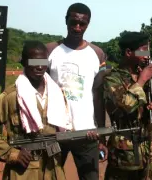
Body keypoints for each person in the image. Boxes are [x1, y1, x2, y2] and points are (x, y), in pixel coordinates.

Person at [0, 40, 69, 180]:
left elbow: (66, 128)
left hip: (52, 168)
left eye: (43, 61)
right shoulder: (12, 96)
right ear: (24, 62)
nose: (39, 66)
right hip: (24, 171)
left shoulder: (57, 94)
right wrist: (11, 153)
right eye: (33, 62)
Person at [46, 3, 107, 180]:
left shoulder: (98, 54)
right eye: (73, 22)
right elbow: (33, 84)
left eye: (82, 24)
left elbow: (98, 96)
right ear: (66, 21)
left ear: (88, 24)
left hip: (87, 134)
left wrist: (102, 135)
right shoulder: (49, 50)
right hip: (55, 131)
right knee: (50, 176)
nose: (77, 27)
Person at [101, 31, 152, 180]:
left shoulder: (143, 74)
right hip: (124, 153)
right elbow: (125, 106)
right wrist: (141, 81)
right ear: (129, 52)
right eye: (143, 51)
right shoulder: (112, 78)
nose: (147, 55)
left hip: (147, 149)